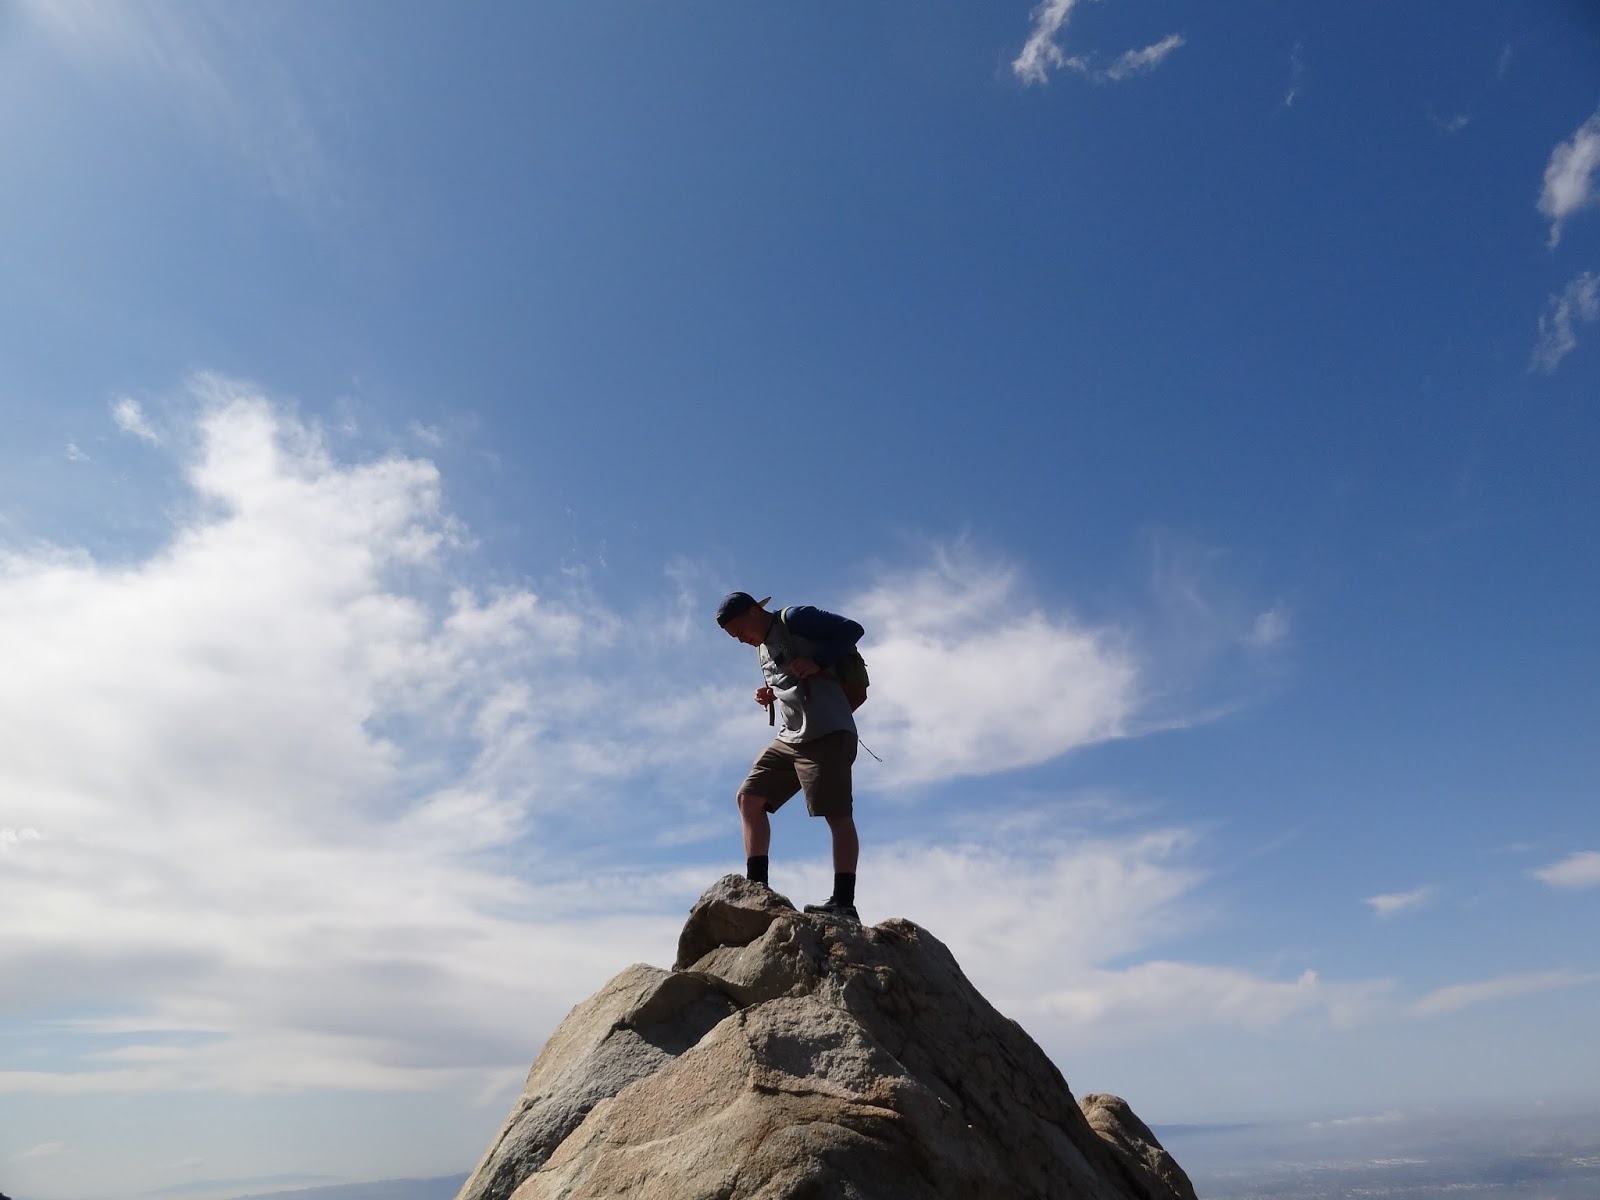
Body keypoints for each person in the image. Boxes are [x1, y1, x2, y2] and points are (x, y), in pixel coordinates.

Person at [717, 591, 864, 922]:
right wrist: (770, 693)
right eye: (734, 636)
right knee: (749, 798)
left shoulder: (795, 618)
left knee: (837, 814)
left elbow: (853, 629)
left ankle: (844, 904)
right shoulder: (761, 648)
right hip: (790, 737)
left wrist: (819, 661)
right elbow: (788, 678)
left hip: (828, 732)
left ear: (754, 611)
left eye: (739, 631)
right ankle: (757, 890)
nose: (740, 640)